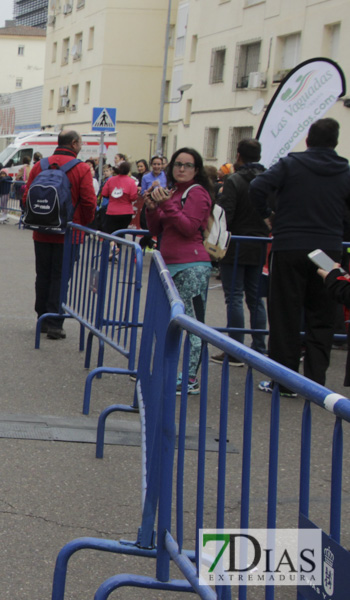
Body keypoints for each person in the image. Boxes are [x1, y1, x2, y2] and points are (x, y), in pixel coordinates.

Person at [250, 118, 350, 396]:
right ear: (335, 142)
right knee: (323, 314)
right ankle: (316, 383)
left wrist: (269, 217)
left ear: (308, 139)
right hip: (328, 251)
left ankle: (285, 381)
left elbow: (257, 187)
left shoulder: (290, 164)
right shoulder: (345, 170)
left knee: (285, 313)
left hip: (290, 245)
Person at [144, 148, 214, 395]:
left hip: (192, 266)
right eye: (178, 164)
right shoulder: (171, 192)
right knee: (165, 322)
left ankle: (190, 378)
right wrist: (152, 207)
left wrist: (166, 205)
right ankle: (165, 369)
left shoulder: (198, 193)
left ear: (196, 169)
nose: (181, 169)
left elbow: (187, 227)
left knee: (192, 323)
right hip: (167, 266)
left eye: (188, 165)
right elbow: (156, 228)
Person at [24, 130, 96, 340]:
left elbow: (27, 194)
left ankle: (42, 319)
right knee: (61, 277)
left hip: (42, 231)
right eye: (80, 142)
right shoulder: (81, 168)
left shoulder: (40, 165)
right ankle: (56, 322)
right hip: (69, 232)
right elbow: (89, 201)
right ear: (74, 143)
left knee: (43, 275)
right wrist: (85, 222)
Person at [212, 138, 268, 366]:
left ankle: (235, 349)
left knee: (234, 296)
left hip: (235, 243)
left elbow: (226, 214)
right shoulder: (267, 179)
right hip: (259, 242)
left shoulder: (234, 180)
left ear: (238, 156)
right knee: (255, 298)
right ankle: (259, 347)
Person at [99, 161, 138, 234]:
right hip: (126, 212)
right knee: (121, 234)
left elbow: (104, 193)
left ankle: (111, 245)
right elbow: (133, 197)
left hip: (112, 211)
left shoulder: (110, 180)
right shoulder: (131, 181)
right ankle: (119, 245)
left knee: (111, 234)